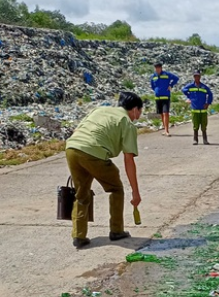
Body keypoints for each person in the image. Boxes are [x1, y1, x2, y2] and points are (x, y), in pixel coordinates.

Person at [65, 92, 142, 249]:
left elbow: (81, 130)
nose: (138, 116)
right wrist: (135, 192)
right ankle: (116, 230)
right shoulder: (126, 122)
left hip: (72, 148)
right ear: (134, 109)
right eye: (140, 112)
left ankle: (78, 236)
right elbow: (129, 160)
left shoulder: (100, 110)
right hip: (93, 152)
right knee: (116, 189)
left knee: (81, 193)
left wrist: (79, 162)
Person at [182, 70, 214, 145]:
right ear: (194, 77)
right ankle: (195, 140)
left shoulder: (204, 87)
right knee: (195, 126)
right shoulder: (191, 86)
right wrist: (190, 97)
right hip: (195, 109)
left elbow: (210, 94)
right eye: (195, 76)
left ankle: (205, 140)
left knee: (204, 126)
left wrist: (208, 103)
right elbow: (184, 90)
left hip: (203, 110)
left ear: (200, 77)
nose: (197, 78)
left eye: (198, 76)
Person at [150, 62, 179, 136]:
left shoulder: (167, 74)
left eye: (158, 68)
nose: (157, 69)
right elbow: (152, 86)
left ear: (161, 68)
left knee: (165, 113)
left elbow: (176, 78)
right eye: (156, 68)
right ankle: (164, 129)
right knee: (162, 114)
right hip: (158, 98)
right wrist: (156, 91)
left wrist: (171, 85)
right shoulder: (153, 76)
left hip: (166, 97)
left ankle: (167, 130)